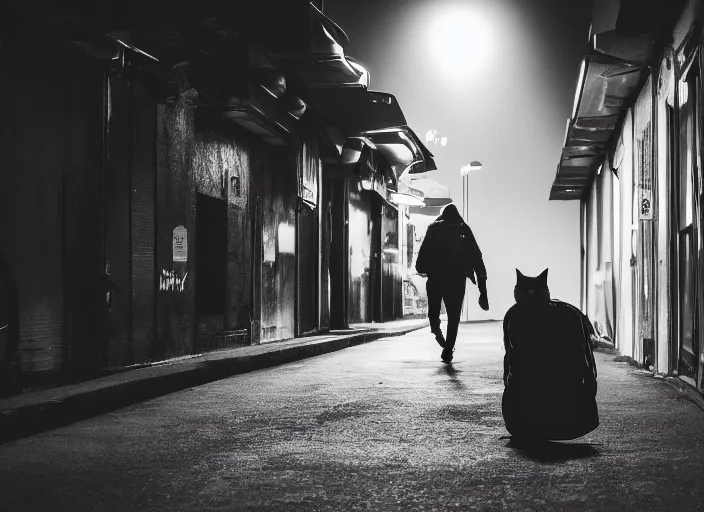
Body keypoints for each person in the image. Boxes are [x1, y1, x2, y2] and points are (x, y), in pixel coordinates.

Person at [415, 203, 489, 363]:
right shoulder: (463, 229)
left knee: (433, 314)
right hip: (456, 279)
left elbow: (422, 255)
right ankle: (448, 349)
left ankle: (441, 339)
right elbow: (477, 259)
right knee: (453, 317)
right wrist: (483, 292)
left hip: (436, 278)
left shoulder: (433, 228)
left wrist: (423, 268)